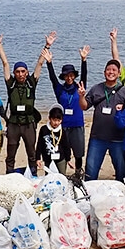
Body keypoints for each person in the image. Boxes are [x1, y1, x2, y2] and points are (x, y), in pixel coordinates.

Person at [0, 30, 51, 173]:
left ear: (27, 72)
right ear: (15, 73)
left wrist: (47, 46)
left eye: (23, 71)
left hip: (29, 124)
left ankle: (33, 175)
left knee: (31, 153)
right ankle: (9, 175)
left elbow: (40, 63)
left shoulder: (31, 83)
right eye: (17, 71)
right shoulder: (11, 84)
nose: (20, 74)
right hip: (14, 124)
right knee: (11, 153)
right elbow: (5, 63)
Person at [81, 59, 125, 181]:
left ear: (119, 73)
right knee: (90, 172)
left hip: (118, 139)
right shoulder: (96, 89)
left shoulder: (124, 91)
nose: (111, 72)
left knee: (121, 171)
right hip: (97, 137)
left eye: (114, 70)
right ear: (104, 72)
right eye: (108, 70)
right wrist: (81, 96)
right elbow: (84, 106)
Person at [44, 45, 89, 177]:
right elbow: (53, 79)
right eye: (66, 76)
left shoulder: (80, 87)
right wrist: (49, 63)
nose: (69, 78)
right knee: (62, 150)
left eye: (71, 75)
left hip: (77, 124)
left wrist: (84, 60)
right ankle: (60, 174)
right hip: (63, 125)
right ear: (63, 77)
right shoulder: (60, 89)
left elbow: (84, 75)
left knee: (78, 152)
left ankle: (78, 173)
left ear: (74, 76)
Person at [36, 106, 71, 176]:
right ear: (49, 118)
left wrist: (68, 159)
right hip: (48, 158)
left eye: (59, 120)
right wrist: (38, 158)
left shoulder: (62, 131)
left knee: (61, 177)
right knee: (49, 177)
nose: (56, 123)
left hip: (61, 159)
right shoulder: (44, 129)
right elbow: (39, 144)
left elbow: (66, 146)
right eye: (54, 120)